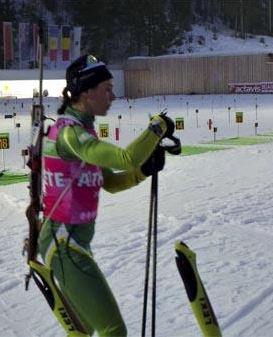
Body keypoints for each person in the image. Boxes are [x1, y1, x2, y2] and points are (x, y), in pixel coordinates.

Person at [36, 54, 175, 336]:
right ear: (86, 91)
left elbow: (110, 181)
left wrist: (144, 171)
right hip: (63, 244)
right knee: (113, 330)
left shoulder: (83, 132)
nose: (113, 96)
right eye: (106, 89)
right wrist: (157, 127)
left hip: (72, 243)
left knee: (83, 331)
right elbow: (124, 158)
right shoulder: (69, 134)